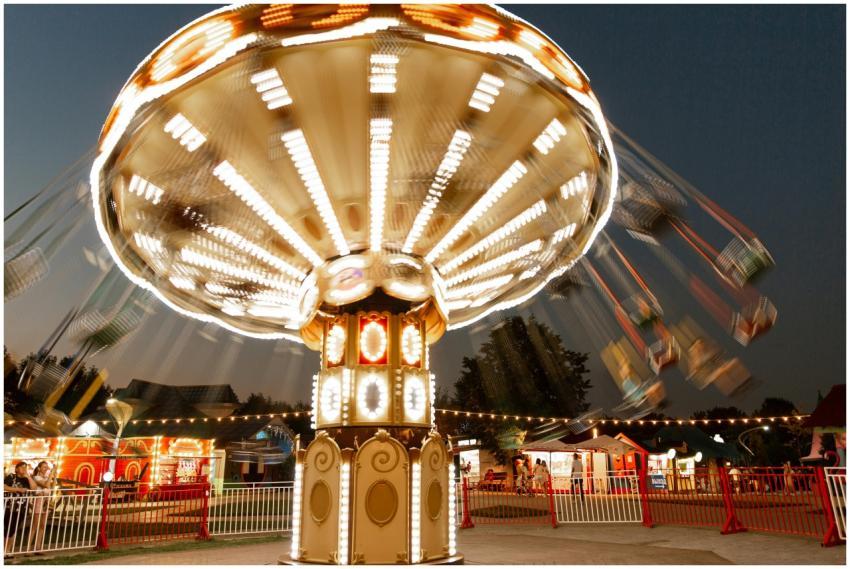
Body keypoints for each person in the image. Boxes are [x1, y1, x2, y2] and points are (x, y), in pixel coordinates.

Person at [4, 462, 36, 554]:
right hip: (9, 507)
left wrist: (29, 477)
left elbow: (34, 488)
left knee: (13, 529)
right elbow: (4, 486)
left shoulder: (27, 479)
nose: (24, 469)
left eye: (25, 468)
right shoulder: (11, 477)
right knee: (6, 528)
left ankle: (7, 550)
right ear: (17, 469)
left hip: (22, 508)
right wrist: (18, 489)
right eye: (22, 467)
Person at [30, 462, 55, 551]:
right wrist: (51, 474)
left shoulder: (46, 478)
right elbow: (46, 485)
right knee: (35, 525)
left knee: (42, 525)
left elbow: (50, 488)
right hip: (39, 501)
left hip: (46, 502)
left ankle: (38, 547)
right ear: (39, 468)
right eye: (44, 467)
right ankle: (28, 548)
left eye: (47, 467)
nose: (46, 469)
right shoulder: (36, 478)